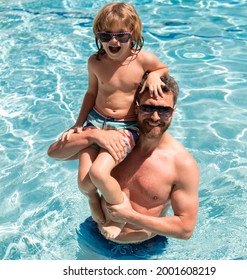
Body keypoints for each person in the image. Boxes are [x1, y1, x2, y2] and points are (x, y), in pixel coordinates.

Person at [48, 74, 199, 244]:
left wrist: (130, 216)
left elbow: (185, 229)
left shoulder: (181, 165)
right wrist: (93, 135)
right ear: (136, 108)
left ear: (174, 110)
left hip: (143, 248)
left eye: (164, 110)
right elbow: (55, 153)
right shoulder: (116, 142)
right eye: (147, 108)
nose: (155, 117)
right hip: (95, 233)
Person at [60, 2, 168, 239]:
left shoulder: (141, 60)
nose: (114, 41)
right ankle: (92, 200)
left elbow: (162, 67)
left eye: (122, 35)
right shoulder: (95, 62)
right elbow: (90, 93)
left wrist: (155, 75)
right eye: (106, 35)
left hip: (125, 127)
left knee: (99, 174)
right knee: (84, 182)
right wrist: (78, 124)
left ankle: (121, 215)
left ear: (134, 34)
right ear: (98, 35)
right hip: (95, 122)